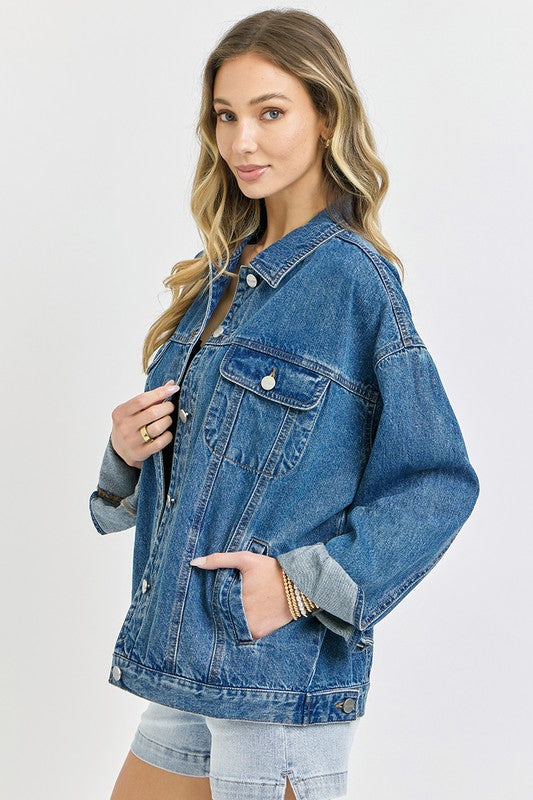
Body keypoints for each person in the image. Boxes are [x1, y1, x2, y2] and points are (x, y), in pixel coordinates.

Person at [89, 9, 480, 800]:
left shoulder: (353, 282)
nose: (242, 142)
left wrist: (302, 586)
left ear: (325, 116)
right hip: (183, 657)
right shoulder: (218, 276)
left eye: (270, 113)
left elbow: (436, 482)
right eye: (225, 116)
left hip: (274, 676)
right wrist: (126, 454)